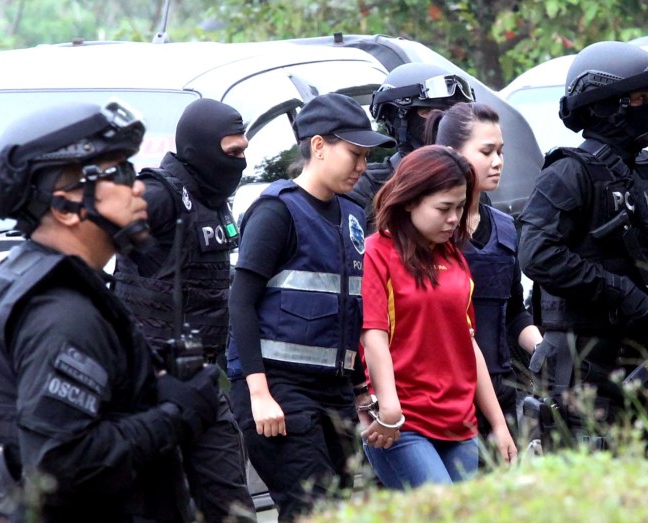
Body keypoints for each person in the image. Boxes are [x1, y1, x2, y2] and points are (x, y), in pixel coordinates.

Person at [0, 100, 222, 521]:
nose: (138, 188)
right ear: (64, 207)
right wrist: (176, 414)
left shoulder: (46, 283)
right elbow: (63, 465)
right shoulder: (61, 313)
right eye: (119, 174)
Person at [517, 10, 648, 449]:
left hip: (633, 360)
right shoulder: (568, 174)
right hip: (581, 362)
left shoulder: (639, 169)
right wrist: (621, 292)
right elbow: (536, 254)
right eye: (639, 98)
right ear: (607, 106)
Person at [227, 93, 395, 522]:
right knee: (310, 510)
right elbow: (241, 303)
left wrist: (360, 393)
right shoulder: (276, 211)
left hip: (334, 391)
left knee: (336, 511)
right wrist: (259, 393)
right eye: (354, 154)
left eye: (366, 156)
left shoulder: (354, 215)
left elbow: (348, 312)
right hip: (280, 390)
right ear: (318, 146)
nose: (362, 166)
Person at [112, 98, 254, 522]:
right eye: (233, 153)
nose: (241, 163)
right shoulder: (159, 194)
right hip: (150, 386)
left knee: (234, 509)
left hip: (202, 379)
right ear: (200, 149)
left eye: (245, 151)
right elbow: (99, 234)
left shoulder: (213, 196)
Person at [359, 145, 517, 490]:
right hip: (403, 423)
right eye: (444, 208)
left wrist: (499, 423)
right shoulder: (376, 252)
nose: (454, 219)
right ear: (410, 200)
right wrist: (388, 410)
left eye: (460, 207)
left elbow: (467, 341)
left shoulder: (455, 258)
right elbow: (373, 335)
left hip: (461, 424)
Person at [424, 102, 542, 442]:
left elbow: (514, 313)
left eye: (501, 151)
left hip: (500, 393)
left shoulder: (505, 228)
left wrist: (543, 348)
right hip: (442, 398)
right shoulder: (427, 232)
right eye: (486, 151)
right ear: (452, 154)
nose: (498, 161)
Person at [346, 63, 475, 229]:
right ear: (398, 119)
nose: (443, 121)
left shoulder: (466, 183)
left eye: (452, 113)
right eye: (429, 112)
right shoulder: (368, 187)